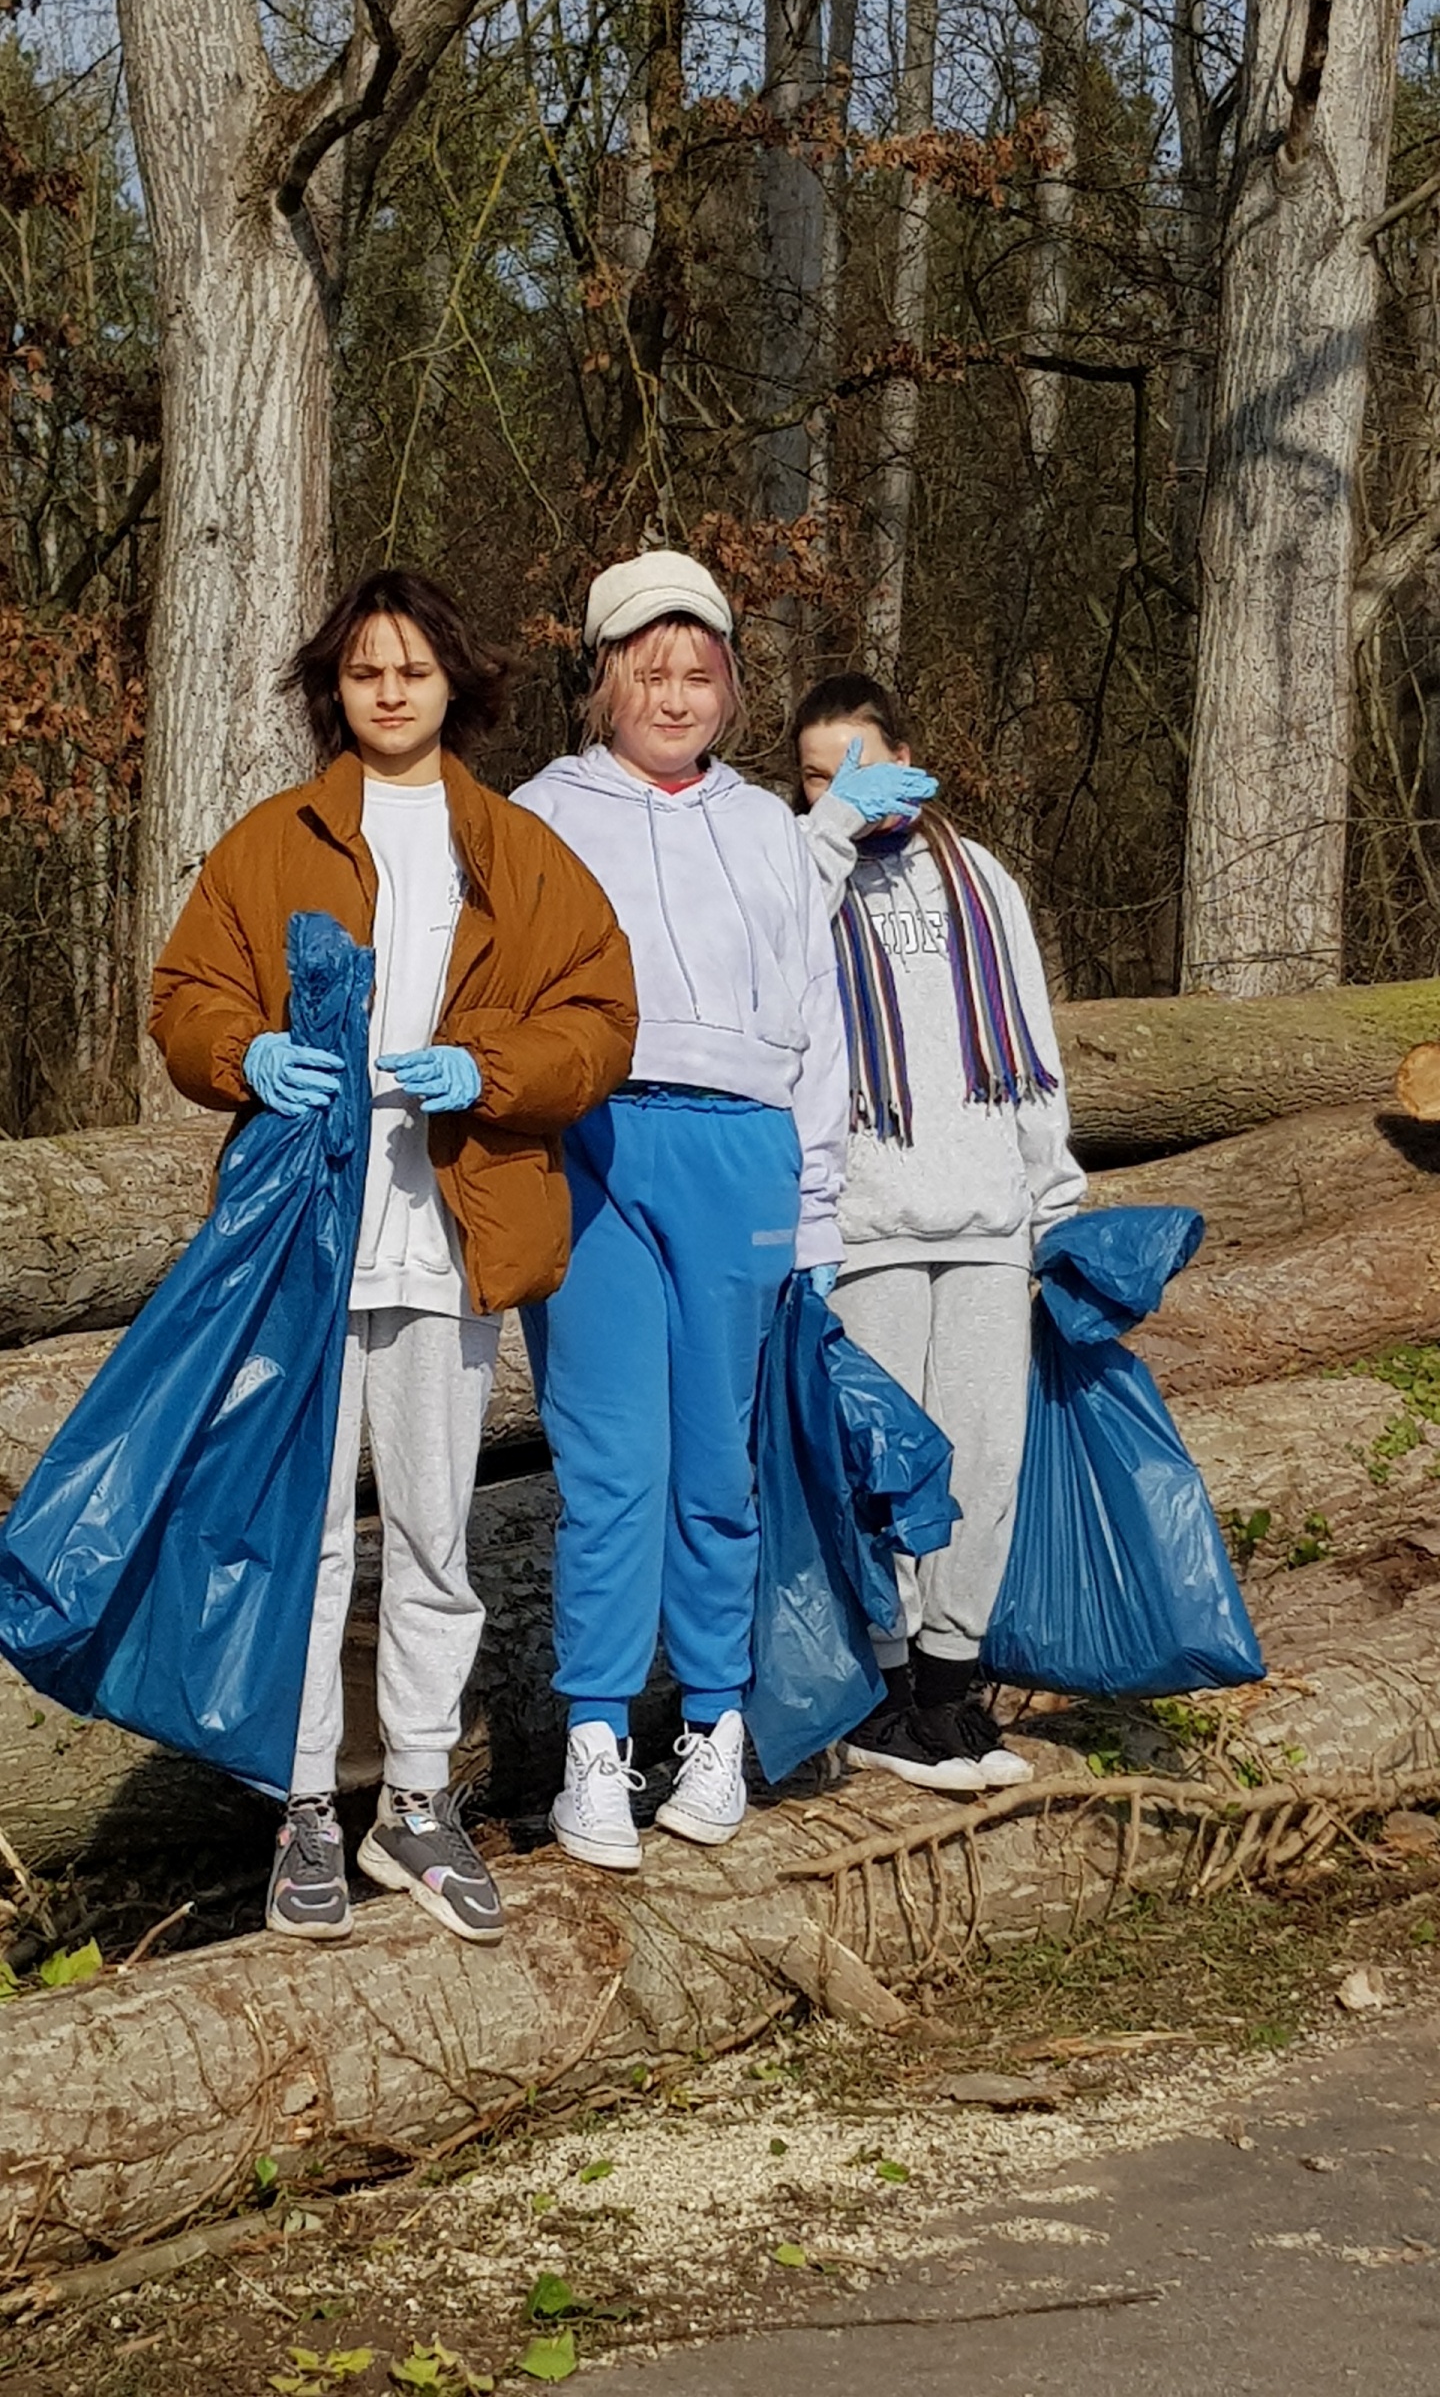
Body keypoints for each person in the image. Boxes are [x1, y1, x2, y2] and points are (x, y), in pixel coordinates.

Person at [149, 570, 638, 1941]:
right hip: (306, 1242)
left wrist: (485, 1069)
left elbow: (602, 1017)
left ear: (455, 685)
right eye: (365, 670)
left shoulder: (520, 849)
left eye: (412, 668)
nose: (389, 690)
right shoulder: (275, 839)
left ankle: (415, 1804)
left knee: (433, 1534)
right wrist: (236, 1051)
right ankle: (304, 1809)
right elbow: (185, 995)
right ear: (336, 687)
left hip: (450, 1231)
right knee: (302, 1543)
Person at [512, 550, 849, 1868]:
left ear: (729, 687)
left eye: (697, 670)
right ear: (603, 680)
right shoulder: (536, 817)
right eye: (649, 669)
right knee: (610, 1462)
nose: (675, 691)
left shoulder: (770, 830)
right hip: (590, 1143)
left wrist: (815, 1206)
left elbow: (820, 1029)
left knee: (721, 1457)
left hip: (740, 1152)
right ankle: (595, 1740)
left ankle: (716, 1723)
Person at [792, 674, 1085, 1792]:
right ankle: (878, 1692)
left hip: (982, 1218)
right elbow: (778, 994)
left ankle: (949, 1695)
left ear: (906, 754)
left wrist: (1048, 1200)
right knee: (880, 1464)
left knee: (981, 1460)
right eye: (822, 775)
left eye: (863, 763)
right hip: (865, 1223)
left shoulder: (981, 879)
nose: (847, 789)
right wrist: (824, 836)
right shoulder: (803, 874)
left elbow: (1031, 1044)